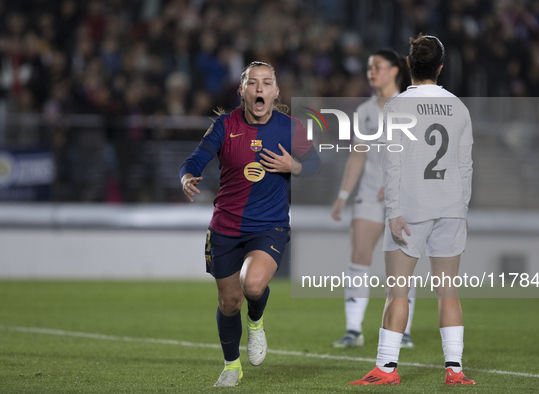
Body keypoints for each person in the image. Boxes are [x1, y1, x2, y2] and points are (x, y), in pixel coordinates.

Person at [180, 61, 320, 387]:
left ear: (275, 92)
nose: (259, 88)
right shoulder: (224, 126)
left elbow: (315, 164)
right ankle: (232, 366)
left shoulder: (290, 127)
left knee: (253, 286)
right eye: (253, 83)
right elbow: (194, 160)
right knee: (229, 302)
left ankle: (255, 323)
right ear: (242, 90)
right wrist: (186, 176)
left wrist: (293, 166)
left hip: (269, 226)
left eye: (266, 83)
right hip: (225, 228)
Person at [350, 34, 475, 386]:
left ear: (408, 65)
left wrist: (392, 210)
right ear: (440, 67)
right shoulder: (459, 107)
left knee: (398, 291)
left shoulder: (398, 106)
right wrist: (460, 209)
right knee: (448, 291)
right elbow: (465, 167)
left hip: (410, 209)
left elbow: (393, 163)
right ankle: (455, 369)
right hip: (450, 207)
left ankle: (386, 369)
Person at [331, 49, 417, 349]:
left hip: (404, 200)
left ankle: (402, 330)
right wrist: (343, 195)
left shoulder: (411, 107)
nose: (372, 72)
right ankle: (353, 329)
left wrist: (398, 185)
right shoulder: (366, 111)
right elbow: (358, 155)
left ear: (395, 71)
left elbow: (419, 154)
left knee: (401, 266)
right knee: (359, 258)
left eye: (378, 66)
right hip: (369, 194)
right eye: (369, 67)